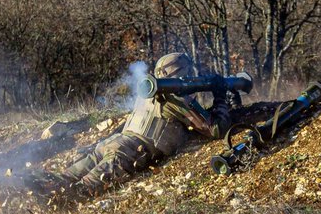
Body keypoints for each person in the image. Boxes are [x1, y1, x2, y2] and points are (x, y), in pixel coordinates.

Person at [47, 52, 231, 203]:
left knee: (61, 180)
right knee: (78, 193)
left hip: (111, 144)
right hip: (128, 153)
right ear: (183, 73)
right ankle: (39, 206)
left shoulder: (148, 90)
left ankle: (26, 186)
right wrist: (221, 97)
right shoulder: (175, 98)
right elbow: (214, 129)